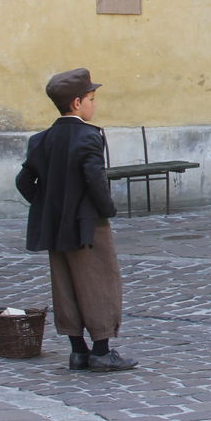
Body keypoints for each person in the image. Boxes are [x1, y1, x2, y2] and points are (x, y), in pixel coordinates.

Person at [16, 69, 137, 372]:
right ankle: (101, 349)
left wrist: (46, 206)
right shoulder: (88, 136)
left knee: (65, 284)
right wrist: (106, 209)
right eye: (92, 99)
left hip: (55, 224)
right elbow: (95, 179)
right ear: (77, 102)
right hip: (87, 224)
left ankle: (78, 351)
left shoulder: (40, 140)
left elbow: (23, 181)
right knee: (99, 283)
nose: (94, 105)